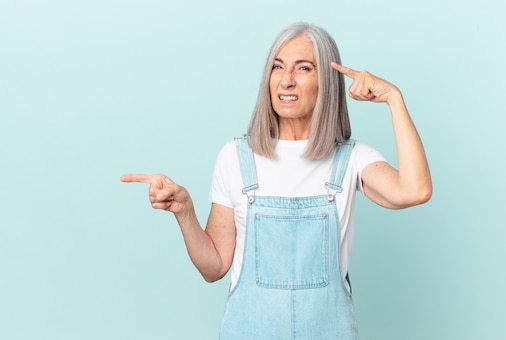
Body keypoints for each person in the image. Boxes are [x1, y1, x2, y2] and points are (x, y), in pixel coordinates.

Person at [121, 22, 431, 339]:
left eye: (304, 68)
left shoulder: (350, 159)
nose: (286, 81)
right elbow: (213, 268)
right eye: (277, 67)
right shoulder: (235, 157)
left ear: (327, 83)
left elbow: (415, 190)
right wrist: (185, 212)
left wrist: (394, 98)